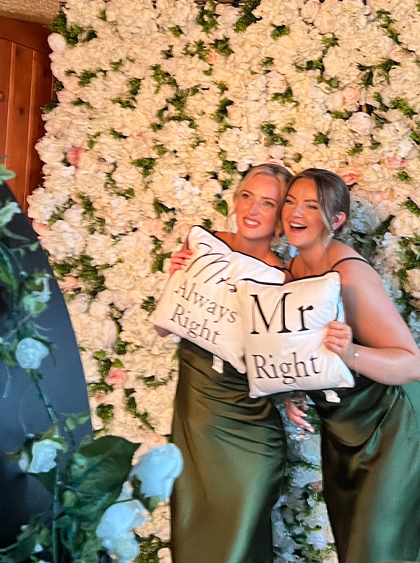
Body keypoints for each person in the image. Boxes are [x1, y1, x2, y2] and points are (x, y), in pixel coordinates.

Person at [282, 168, 420, 563]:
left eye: (311, 205)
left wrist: (352, 353)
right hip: (344, 427)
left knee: (383, 552)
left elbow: (411, 365)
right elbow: (309, 352)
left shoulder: (350, 274)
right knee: (355, 549)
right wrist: (296, 389)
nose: (296, 212)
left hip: (394, 422)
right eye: (291, 201)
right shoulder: (291, 273)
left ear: (336, 221)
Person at [154, 164, 292, 563]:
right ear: (235, 199)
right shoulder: (203, 245)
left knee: (238, 547)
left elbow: (280, 363)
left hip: (251, 432)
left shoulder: (284, 278)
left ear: (281, 215)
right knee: (195, 539)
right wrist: (175, 277)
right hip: (197, 421)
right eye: (247, 196)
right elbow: (166, 328)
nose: (253, 209)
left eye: (268, 202)